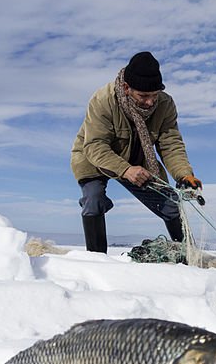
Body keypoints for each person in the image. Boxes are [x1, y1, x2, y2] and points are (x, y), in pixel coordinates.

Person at [70, 51, 202, 253]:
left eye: (154, 95)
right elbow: (95, 145)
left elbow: (171, 143)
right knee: (93, 200)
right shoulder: (103, 100)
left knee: (170, 206)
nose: (150, 102)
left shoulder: (165, 105)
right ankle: (97, 261)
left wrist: (184, 174)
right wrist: (125, 170)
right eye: (143, 95)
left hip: (139, 160)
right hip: (94, 157)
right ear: (126, 88)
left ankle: (191, 257)